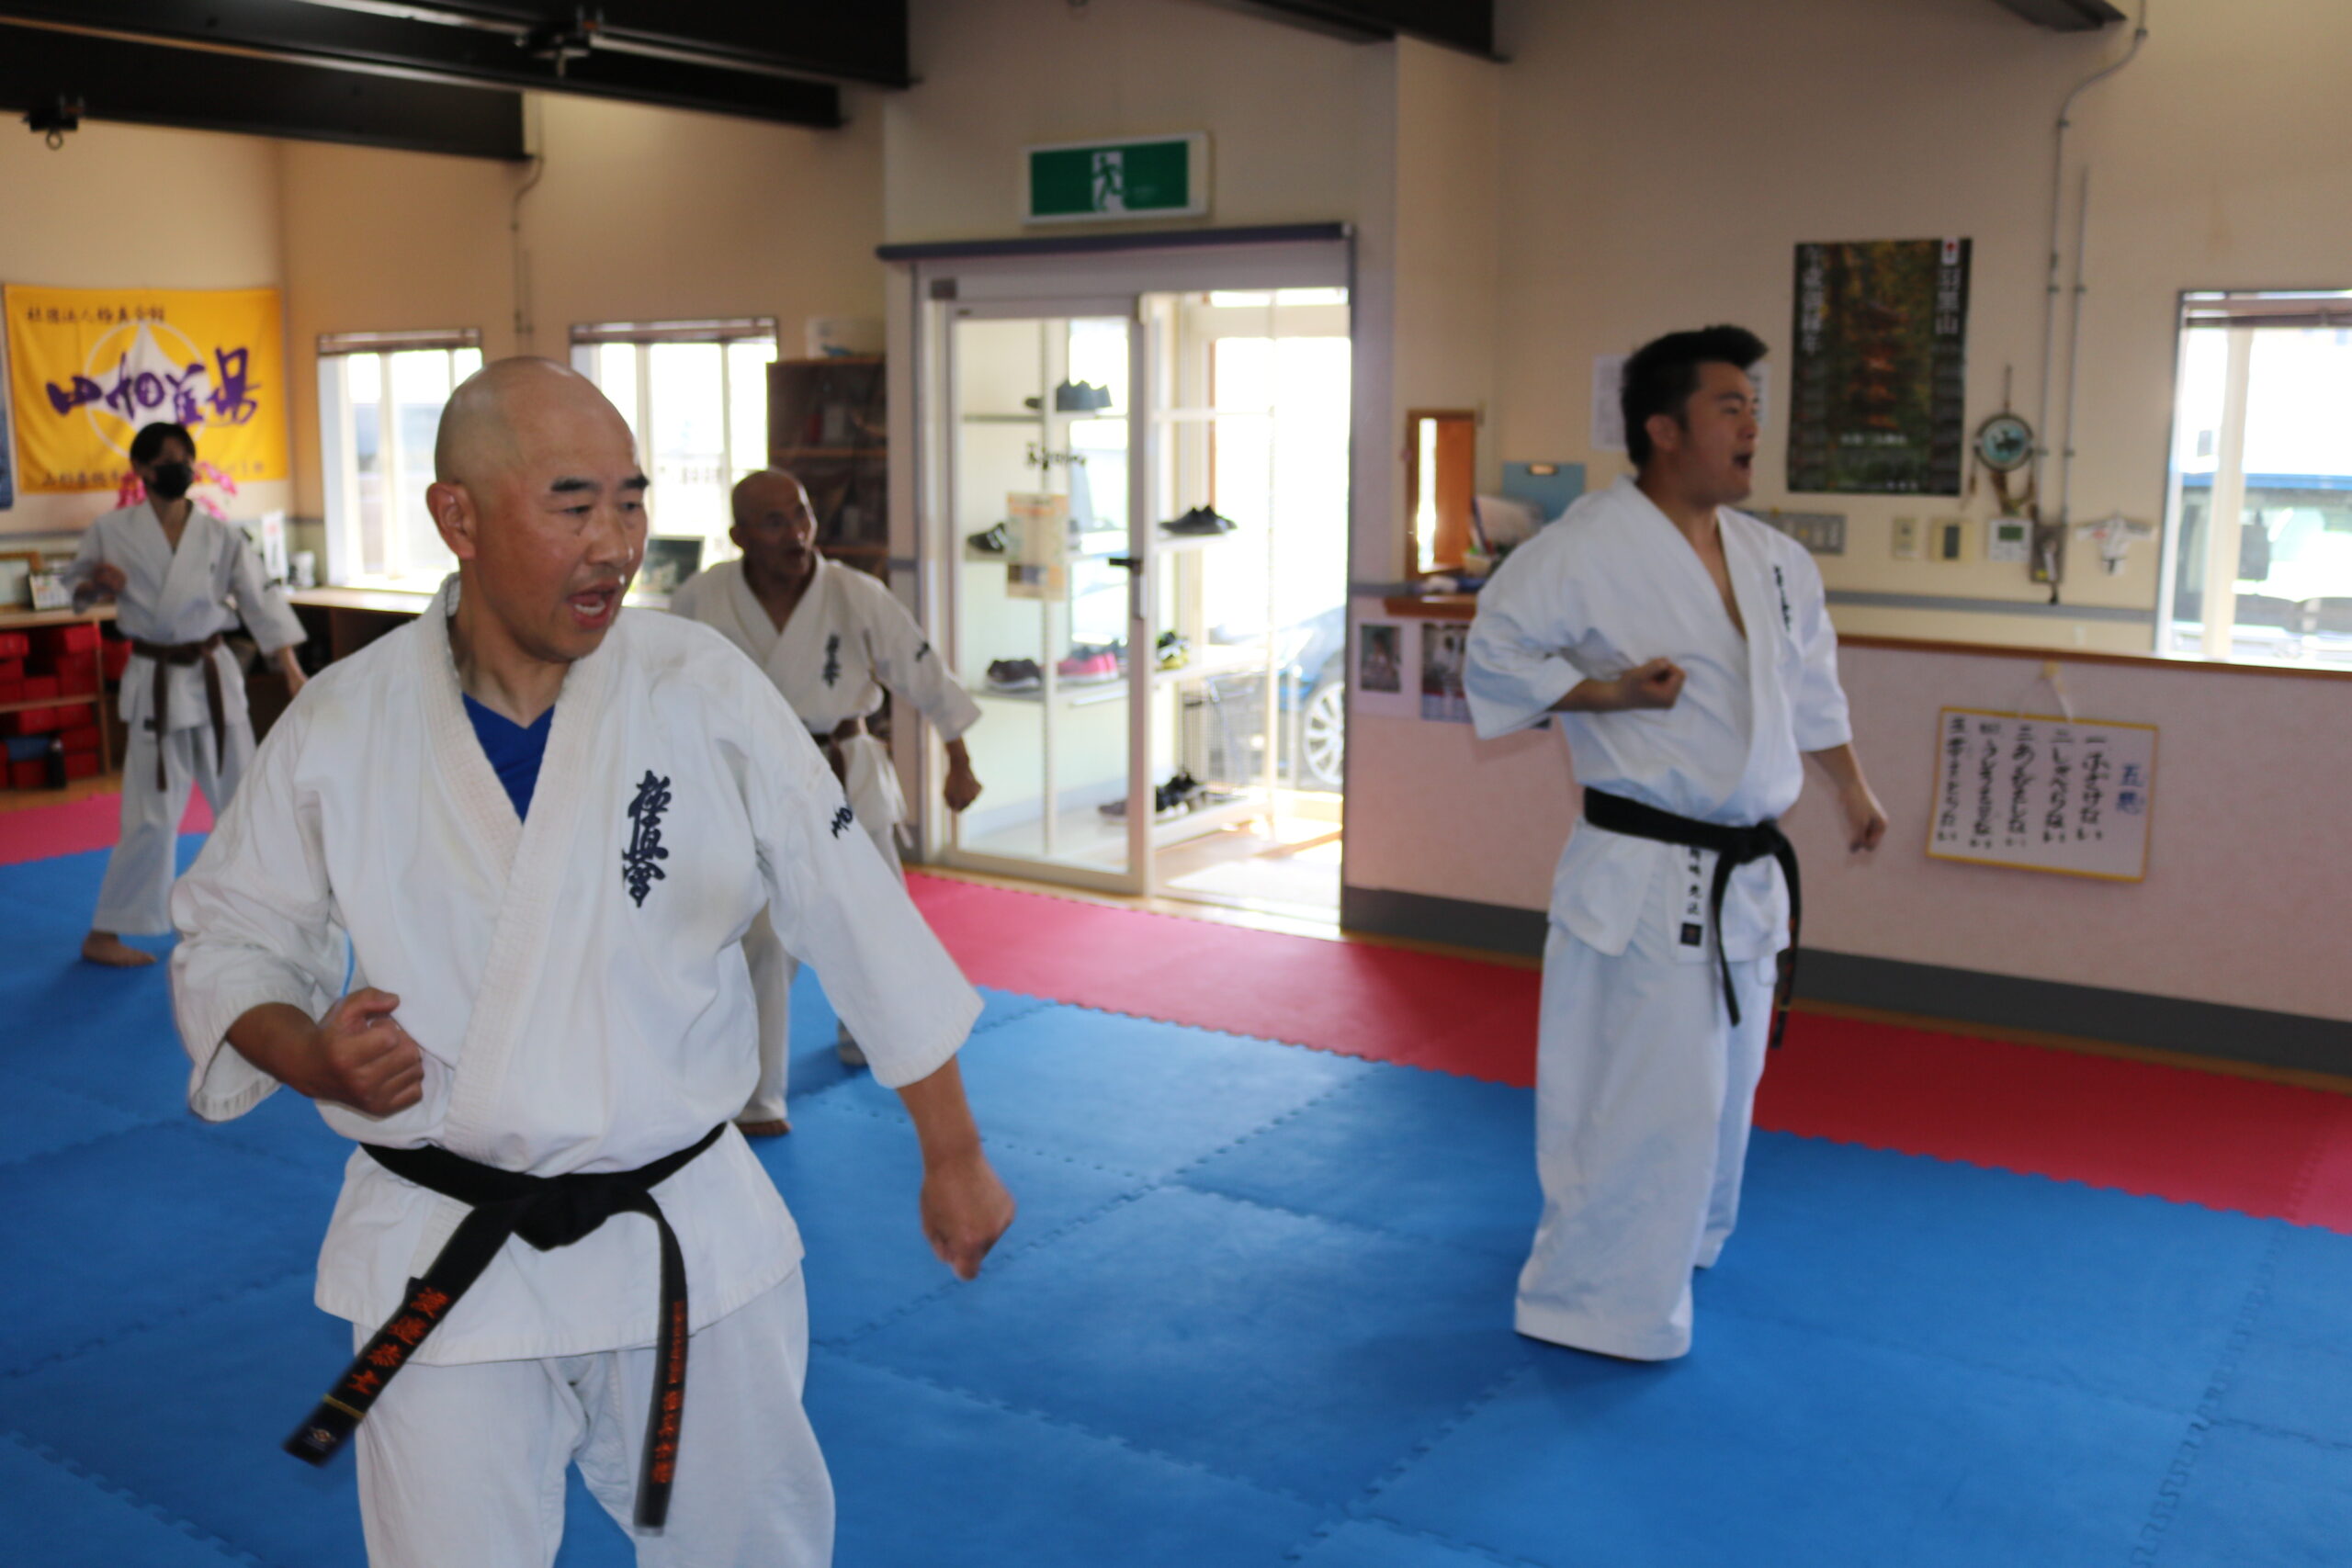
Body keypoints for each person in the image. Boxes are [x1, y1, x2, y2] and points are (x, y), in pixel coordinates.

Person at [168, 359, 1015, 1566]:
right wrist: (307, 1053)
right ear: (458, 517)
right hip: (441, 1240)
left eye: (631, 500)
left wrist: (954, 1149)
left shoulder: (699, 688)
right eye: (573, 504)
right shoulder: (344, 722)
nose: (615, 543)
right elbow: (232, 934)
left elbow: (853, 905)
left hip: (685, 1231)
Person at [1464, 325, 1886, 1361]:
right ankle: (1596, 1303)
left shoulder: (1773, 559)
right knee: (1646, 1097)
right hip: (1646, 871)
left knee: (1724, 1092)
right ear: (1663, 429)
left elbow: (1811, 689)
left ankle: (1682, 1242)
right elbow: (1491, 653)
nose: (1752, 428)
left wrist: (1851, 788)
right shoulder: (1586, 547)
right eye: (1729, 408)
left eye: (1754, 408)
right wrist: (1611, 693)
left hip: (1746, 872)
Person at [669, 469, 983, 1134]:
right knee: (758, 935)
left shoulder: (853, 592)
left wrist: (959, 758)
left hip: (847, 772)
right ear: (739, 536)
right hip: (748, 782)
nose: (797, 533)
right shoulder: (702, 597)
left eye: (803, 515)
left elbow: (921, 671)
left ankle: (873, 1039)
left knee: (877, 916)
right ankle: (757, 1097)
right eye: (776, 522)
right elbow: (660, 688)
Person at [66, 421, 306, 967]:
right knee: (150, 816)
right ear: (141, 470)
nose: (180, 468)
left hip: (212, 677)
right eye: (167, 459)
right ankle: (105, 933)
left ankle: (247, 916)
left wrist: (291, 669)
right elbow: (76, 592)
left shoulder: (220, 535)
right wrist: (98, 585)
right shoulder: (111, 530)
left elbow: (260, 600)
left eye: (186, 457)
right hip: (156, 681)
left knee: (244, 803)